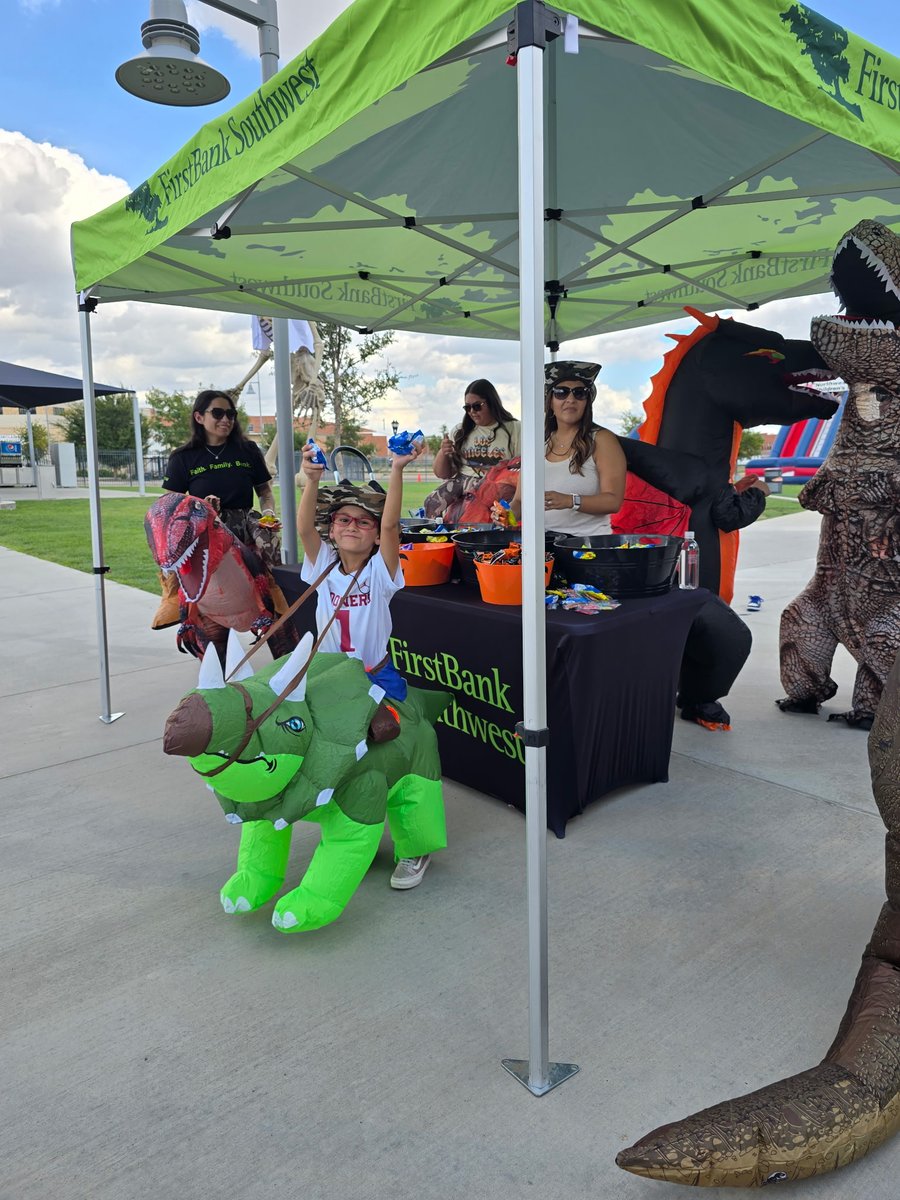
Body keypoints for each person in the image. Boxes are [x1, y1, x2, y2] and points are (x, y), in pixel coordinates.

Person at [297, 437, 442, 891]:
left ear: (376, 534)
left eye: (364, 522)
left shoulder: (381, 571)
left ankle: (415, 846)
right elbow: (303, 528)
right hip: (327, 680)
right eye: (343, 520)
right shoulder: (322, 566)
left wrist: (397, 469)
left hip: (375, 677)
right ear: (332, 530)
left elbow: (395, 526)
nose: (353, 526)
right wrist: (312, 479)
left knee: (399, 749)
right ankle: (346, 820)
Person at [152, 389, 279, 629]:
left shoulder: (248, 451)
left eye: (230, 414)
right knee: (167, 542)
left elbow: (265, 492)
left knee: (267, 537)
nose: (226, 420)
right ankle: (171, 597)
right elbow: (171, 506)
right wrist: (200, 507)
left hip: (244, 518)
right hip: (204, 523)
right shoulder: (183, 457)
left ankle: (274, 593)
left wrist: (269, 513)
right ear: (199, 417)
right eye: (218, 413)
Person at [495, 361, 626, 533]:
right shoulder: (536, 444)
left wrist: (571, 501)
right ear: (550, 401)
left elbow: (613, 501)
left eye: (579, 393)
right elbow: (520, 501)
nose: (570, 399)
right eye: (561, 392)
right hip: (542, 548)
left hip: (587, 547)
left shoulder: (602, 440)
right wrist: (506, 514)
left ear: (587, 401)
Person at [425, 378, 521, 521]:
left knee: (476, 517)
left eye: (477, 406)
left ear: (491, 403)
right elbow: (442, 473)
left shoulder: (513, 428)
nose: (472, 412)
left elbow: (521, 469)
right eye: (467, 407)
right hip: (462, 486)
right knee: (431, 503)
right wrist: (443, 453)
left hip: (496, 487)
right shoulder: (460, 431)